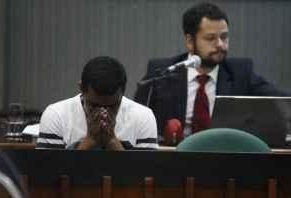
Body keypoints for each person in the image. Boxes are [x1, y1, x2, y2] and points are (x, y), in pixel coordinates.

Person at [134, 2, 289, 142]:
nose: (220, 44)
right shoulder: (164, 72)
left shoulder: (241, 72)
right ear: (190, 41)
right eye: (211, 38)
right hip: (175, 159)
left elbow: (281, 101)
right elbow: (137, 116)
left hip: (223, 159)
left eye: (224, 37)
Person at [37, 56, 158, 150]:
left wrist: (111, 141)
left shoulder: (143, 117)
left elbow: (144, 177)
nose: (103, 113)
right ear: (81, 89)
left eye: (112, 106)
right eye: (94, 105)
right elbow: (48, 174)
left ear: (123, 92)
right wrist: (90, 140)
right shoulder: (56, 115)